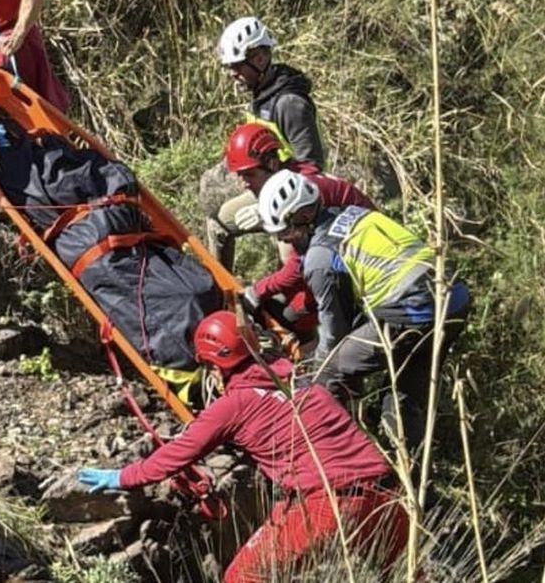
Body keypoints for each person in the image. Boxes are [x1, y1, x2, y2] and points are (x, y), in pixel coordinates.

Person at [77, 310, 408, 582]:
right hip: (387, 493)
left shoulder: (234, 404)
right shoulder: (302, 384)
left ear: (213, 364)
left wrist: (122, 478)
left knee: (246, 577)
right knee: (403, 576)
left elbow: (177, 454)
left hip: (327, 501)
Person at [256, 170, 471, 460]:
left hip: (413, 310)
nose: (284, 240)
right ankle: (417, 482)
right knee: (401, 400)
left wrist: (311, 375)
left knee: (330, 371)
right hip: (452, 301)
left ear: (303, 216)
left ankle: (336, 458)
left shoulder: (319, 258)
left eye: (285, 232)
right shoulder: (353, 214)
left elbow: (334, 334)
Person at [223, 122, 375, 335]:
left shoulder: (302, 196)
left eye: (249, 175)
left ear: (272, 164)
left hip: (358, 257)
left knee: (293, 316)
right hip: (337, 247)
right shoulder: (292, 180)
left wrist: (257, 291)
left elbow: (298, 268)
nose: (243, 183)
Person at [207, 16, 326, 270]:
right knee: (219, 224)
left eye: (238, 66)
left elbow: (312, 168)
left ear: (260, 59)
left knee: (289, 260)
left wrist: (267, 210)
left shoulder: (290, 104)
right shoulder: (261, 95)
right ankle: (221, 291)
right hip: (265, 186)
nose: (233, 75)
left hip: (292, 199)